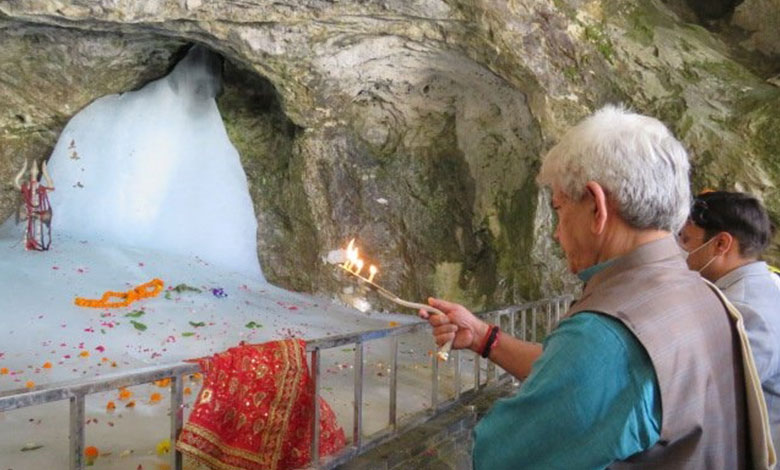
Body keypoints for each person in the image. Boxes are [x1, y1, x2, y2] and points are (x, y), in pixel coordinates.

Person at [420, 105, 762, 469]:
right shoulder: (702, 295)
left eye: (559, 209)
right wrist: (483, 337)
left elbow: (504, 456)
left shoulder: (606, 335)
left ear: (597, 207)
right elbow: (586, 382)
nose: (556, 231)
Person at [678, 190, 780, 454]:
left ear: (721, 244)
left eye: (686, 239)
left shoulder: (746, 311)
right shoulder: (759, 290)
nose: (680, 249)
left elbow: (707, 398)